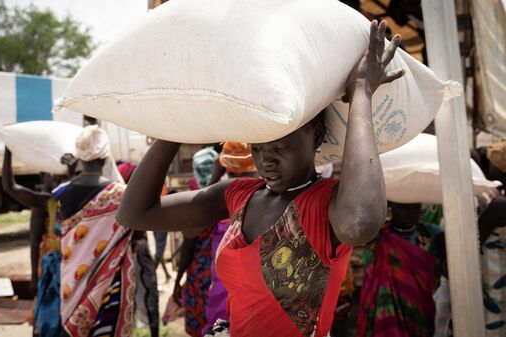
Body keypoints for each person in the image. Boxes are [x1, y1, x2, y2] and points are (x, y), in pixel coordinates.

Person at [117, 20, 403, 337]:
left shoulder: (326, 204)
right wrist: (180, 119)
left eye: (280, 146)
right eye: (258, 147)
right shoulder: (238, 196)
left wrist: (361, 92)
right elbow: (134, 213)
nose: (266, 159)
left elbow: (360, 223)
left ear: (316, 134)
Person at [56, 125, 136, 337]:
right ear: (105, 155)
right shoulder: (120, 194)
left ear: (80, 155)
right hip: (110, 282)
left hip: (71, 282)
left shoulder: (61, 193)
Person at [357, 202, 446, 337]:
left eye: (414, 207)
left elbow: (442, 270)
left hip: (420, 313)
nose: (409, 212)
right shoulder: (379, 237)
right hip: (385, 312)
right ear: (393, 207)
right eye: (404, 207)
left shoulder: (431, 234)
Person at [203, 142, 258, 335]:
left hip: (249, 305)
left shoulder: (267, 200)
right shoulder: (226, 198)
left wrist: (215, 178)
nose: (236, 180)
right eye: (232, 175)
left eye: (241, 174)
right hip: (224, 298)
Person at [2, 148, 63, 296]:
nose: (55, 180)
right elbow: (35, 241)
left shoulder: (69, 198)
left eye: (59, 176)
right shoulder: (46, 202)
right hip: (52, 268)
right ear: (43, 178)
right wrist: (35, 278)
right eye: (51, 176)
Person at [173, 147, 219, 337]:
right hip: (223, 272)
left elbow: (189, 245)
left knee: (201, 325)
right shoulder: (227, 194)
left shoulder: (196, 200)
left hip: (201, 275)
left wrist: (178, 280)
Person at [117, 161, 160, 337]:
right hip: (138, 251)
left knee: (127, 297)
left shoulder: (119, 196)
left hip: (124, 253)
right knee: (148, 295)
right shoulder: (134, 196)